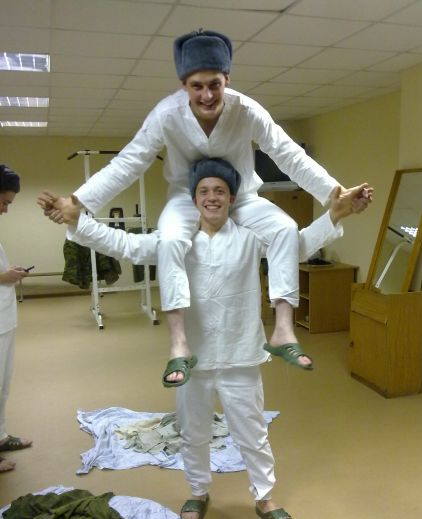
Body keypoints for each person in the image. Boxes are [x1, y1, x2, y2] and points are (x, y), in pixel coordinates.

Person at [38, 157, 367, 519]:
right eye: (204, 191)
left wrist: (335, 215)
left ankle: (264, 498)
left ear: (232, 198)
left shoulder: (249, 238)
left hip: (241, 356)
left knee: (252, 433)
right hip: (193, 361)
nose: (212, 197)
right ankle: (198, 491)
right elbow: (124, 244)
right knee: (193, 433)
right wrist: (78, 221)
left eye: (220, 191)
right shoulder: (174, 242)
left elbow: (297, 245)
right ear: (193, 199)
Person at [39, 29, 372, 388]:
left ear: (227, 79)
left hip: (242, 195)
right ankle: (178, 342)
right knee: (170, 239)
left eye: (215, 84)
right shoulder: (166, 114)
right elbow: (129, 162)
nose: (207, 95)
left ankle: (283, 330)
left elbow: (287, 152)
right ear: (183, 84)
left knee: (285, 229)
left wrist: (332, 194)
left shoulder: (247, 110)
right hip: (186, 197)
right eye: (197, 86)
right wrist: (79, 203)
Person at [0, 165, 32, 473]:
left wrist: (9, 273)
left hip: (4, 319)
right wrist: (3, 277)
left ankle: (0, 436)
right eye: (4, 202)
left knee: (3, 385)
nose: (5, 210)